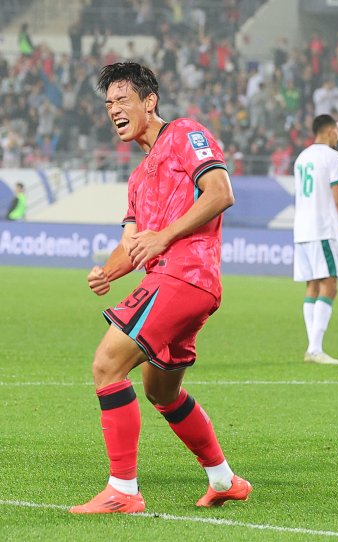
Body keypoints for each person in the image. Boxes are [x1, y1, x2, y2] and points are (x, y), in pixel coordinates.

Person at [70, 62, 251, 514]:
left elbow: (220, 192)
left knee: (107, 365)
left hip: (185, 275)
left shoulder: (187, 134)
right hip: (174, 281)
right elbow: (131, 244)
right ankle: (224, 480)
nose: (113, 110)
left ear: (149, 102)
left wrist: (165, 236)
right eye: (108, 103)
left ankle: (123, 492)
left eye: (122, 100)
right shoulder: (137, 177)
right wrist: (107, 272)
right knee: (161, 392)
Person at [293, 114, 338, 365]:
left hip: (301, 229)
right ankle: (315, 349)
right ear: (329, 131)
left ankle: (313, 348)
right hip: (322, 229)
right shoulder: (333, 158)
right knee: (330, 286)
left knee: (312, 286)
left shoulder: (302, 157)